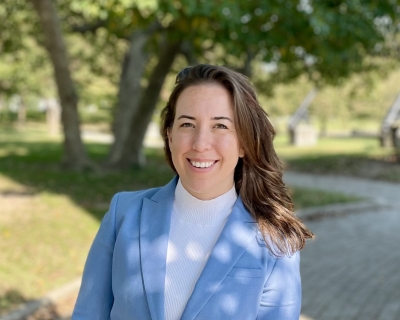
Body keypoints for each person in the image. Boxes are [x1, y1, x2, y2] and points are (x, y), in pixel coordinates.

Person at [72, 64, 313, 320]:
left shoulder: (275, 240)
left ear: (244, 143)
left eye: (220, 126)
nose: (200, 144)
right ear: (170, 136)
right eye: (187, 124)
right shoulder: (124, 214)